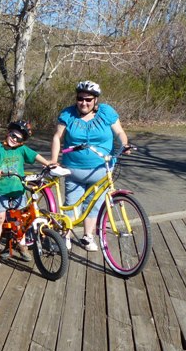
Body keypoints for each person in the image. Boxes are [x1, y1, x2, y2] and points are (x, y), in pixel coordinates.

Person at [50, 81, 130, 252]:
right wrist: (54, 160)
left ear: (95, 100)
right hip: (74, 170)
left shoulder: (106, 112)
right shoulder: (68, 114)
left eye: (88, 99)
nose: (83, 103)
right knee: (71, 204)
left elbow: (120, 132)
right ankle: (65, 238)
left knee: (94, 204)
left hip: (101, 169)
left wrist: (125, 144)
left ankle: (88, 237)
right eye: (80, 99)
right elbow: (57, 137)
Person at [0, 120, 55, 265]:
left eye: (18, 138)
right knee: (0, 218)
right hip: (1, 189)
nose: (14, 139)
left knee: (21, 219)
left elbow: (35, 155)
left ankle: (21, 244)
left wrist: (47, 163)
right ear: (8, 133)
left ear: (22, 141)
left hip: (18, 189)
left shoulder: (21, 149)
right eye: (12, 135)